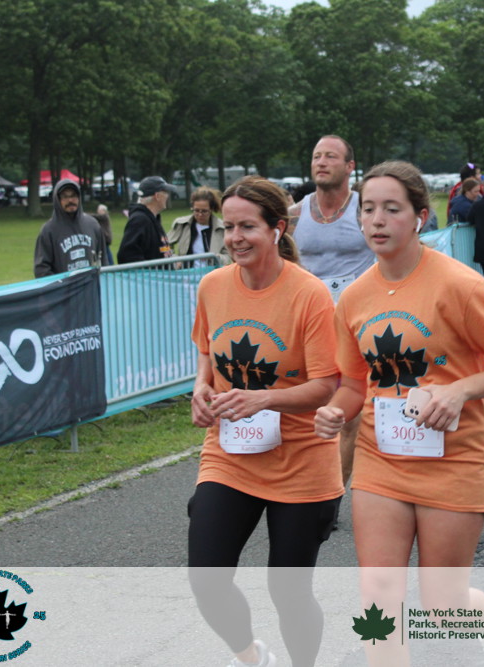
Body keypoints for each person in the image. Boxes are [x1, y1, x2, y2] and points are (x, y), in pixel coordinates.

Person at [314, 161, 484, 666]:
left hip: (453, 459)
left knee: (442, 607)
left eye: (392, 209)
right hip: (381, 461)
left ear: (419, 217)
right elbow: (354, 384)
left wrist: (459, 391)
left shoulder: (458, 284)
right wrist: (334, 412)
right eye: (368, 209)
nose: (377, 220)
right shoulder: (354, 297)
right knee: (378, 597)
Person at [188, 175, 342, 667]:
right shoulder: (213, 286)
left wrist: (263, 400)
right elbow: (206, 353)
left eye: (247, 227)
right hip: (229, 456)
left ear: (277, 229)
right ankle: (252, 657)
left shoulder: (309, 294)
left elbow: (326, 385)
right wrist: (201, 389)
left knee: (289, 592)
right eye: (229, 227)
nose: (235, 237)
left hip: (301, 462)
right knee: (206, 578)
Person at [290, 135, 373, 491]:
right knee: (308, 410)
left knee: (348, 415)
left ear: (350, 166)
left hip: (356, 325)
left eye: (330, 157)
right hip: (311, 326)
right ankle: (304, 486)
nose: (321, 162)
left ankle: (332, 496)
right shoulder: (295, 214)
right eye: (316, 156)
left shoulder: (364, 210)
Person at [33, 179, 106, 277]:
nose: (70, 200)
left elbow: (104, 260)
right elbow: (41, 269)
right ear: (57, 199)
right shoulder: (49, 230)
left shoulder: (93, 225)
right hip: (65, 286)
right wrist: (61, 284)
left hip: (90, 285)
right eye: (65, 196)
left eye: (73, 195)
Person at [168, 186, 231, 266]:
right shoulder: (182, 224)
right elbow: (165, 245)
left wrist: (218, 258)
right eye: (196, 210)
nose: (200, 214)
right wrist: (175, 259)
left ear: (211, 209)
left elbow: (228, 253)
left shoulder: (222, 228)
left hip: (212, 271)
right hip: (186, 271)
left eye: (204, 211)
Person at [117, 175, 174, 264]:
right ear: (157, 196)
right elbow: (126, 255)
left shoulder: (152, 218)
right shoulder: (139, 220)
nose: (168, 196)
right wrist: (147, 270)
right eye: (165, 192)